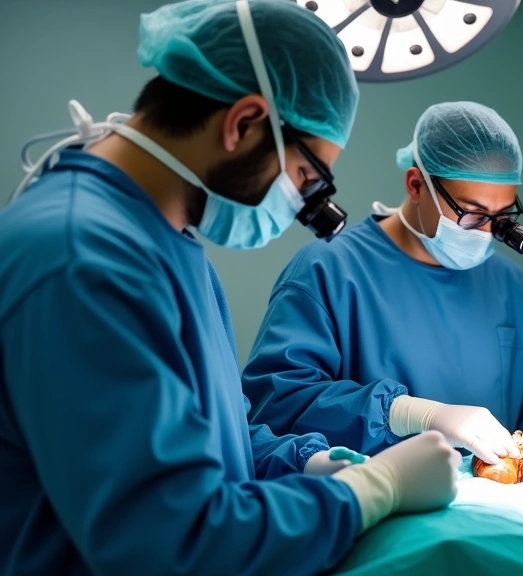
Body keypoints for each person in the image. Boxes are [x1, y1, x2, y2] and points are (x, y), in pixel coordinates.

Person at [0, 1, 460, 574]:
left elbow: (221, 443)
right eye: (305, 179)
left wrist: (314, 463)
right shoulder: (81, 258)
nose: (301, 205)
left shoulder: (175, 247)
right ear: (243, 122)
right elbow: (170, 541)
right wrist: (372, 490)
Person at [242, 102, 523, 466]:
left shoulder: (510, 285)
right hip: (376, 505)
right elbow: (280, 403)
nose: (487, 231)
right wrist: (407, 413)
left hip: (488, 510)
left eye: (502, 216)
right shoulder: (329, 269)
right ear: (415, 184)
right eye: (472, 213)